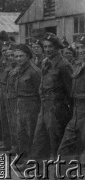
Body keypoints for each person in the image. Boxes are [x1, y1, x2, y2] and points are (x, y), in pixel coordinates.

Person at [30, 33, 73, 170]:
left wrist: (66, 110)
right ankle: (37, 168)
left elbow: (70, 90)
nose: (47, 49)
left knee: (56, 140)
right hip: (44, 106)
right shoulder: (45, 62)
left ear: (57, 47)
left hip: (56, 107)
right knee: (39, 138)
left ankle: (58, 171)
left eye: (51, 47)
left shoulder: (63, 65)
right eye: (45, 46)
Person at [58, 36, 85, 168]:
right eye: (78, 48)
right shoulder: (79, 65)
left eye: (83, 47)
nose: (80, 51)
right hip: (77, 110)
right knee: (66, 145)